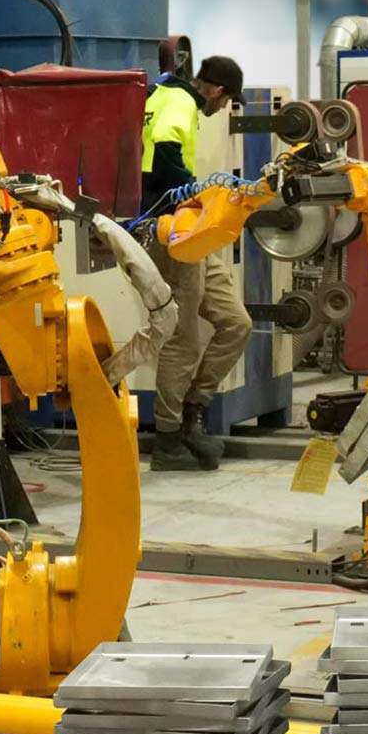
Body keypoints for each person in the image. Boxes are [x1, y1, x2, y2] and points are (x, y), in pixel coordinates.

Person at [141, 55, 249, 472]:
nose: (224, 108)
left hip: (193, 227)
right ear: (218, 91)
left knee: (235, 322)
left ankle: (193, 409)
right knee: (182, 340)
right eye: (227, 101)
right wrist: (193, 189)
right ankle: (167, 440)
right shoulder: (177, 99)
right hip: (170, 232)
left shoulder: (165, 95)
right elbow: (163, 159)